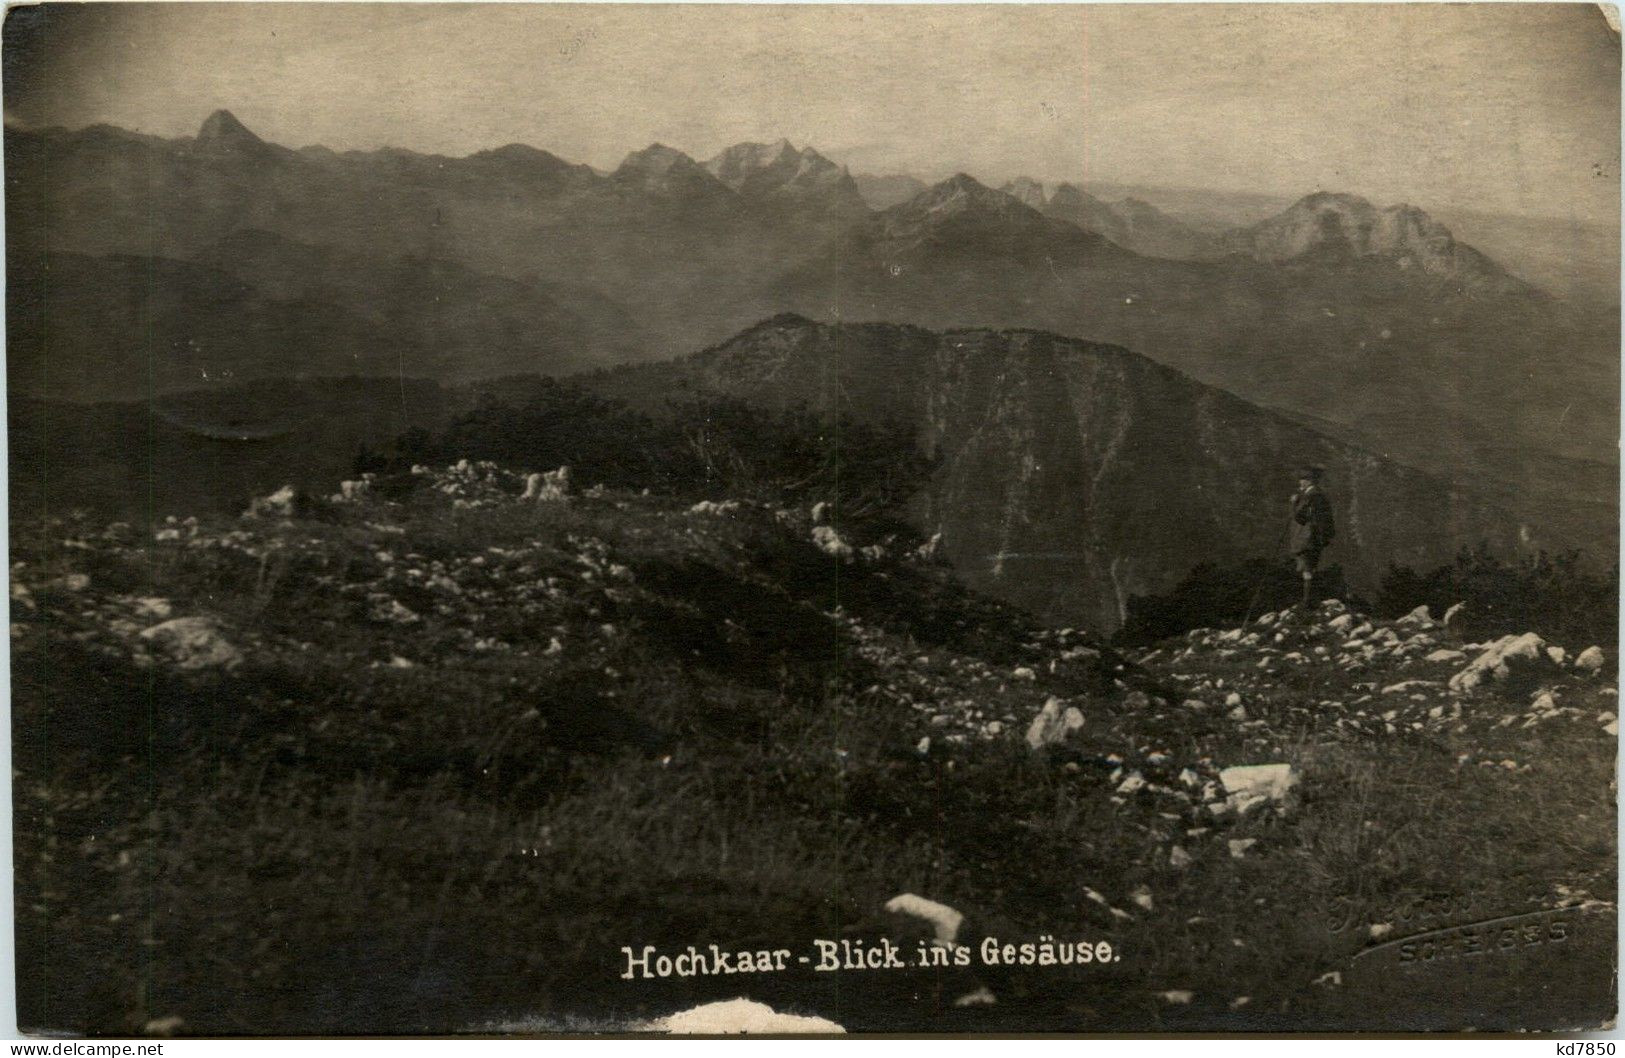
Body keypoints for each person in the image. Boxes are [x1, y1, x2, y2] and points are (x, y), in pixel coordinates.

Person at [1289, 465, 1336, 608]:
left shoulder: (1310, 496)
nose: (1300, 483)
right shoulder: (1320, 495)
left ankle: (1307, 602)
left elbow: (1300, 517)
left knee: (1307, 570)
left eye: (1303, 480)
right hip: (1315, 538)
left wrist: (1293, 504)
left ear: (1309, 481)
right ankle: (1310, 600)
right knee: (1310, 569)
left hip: (1306, 538)